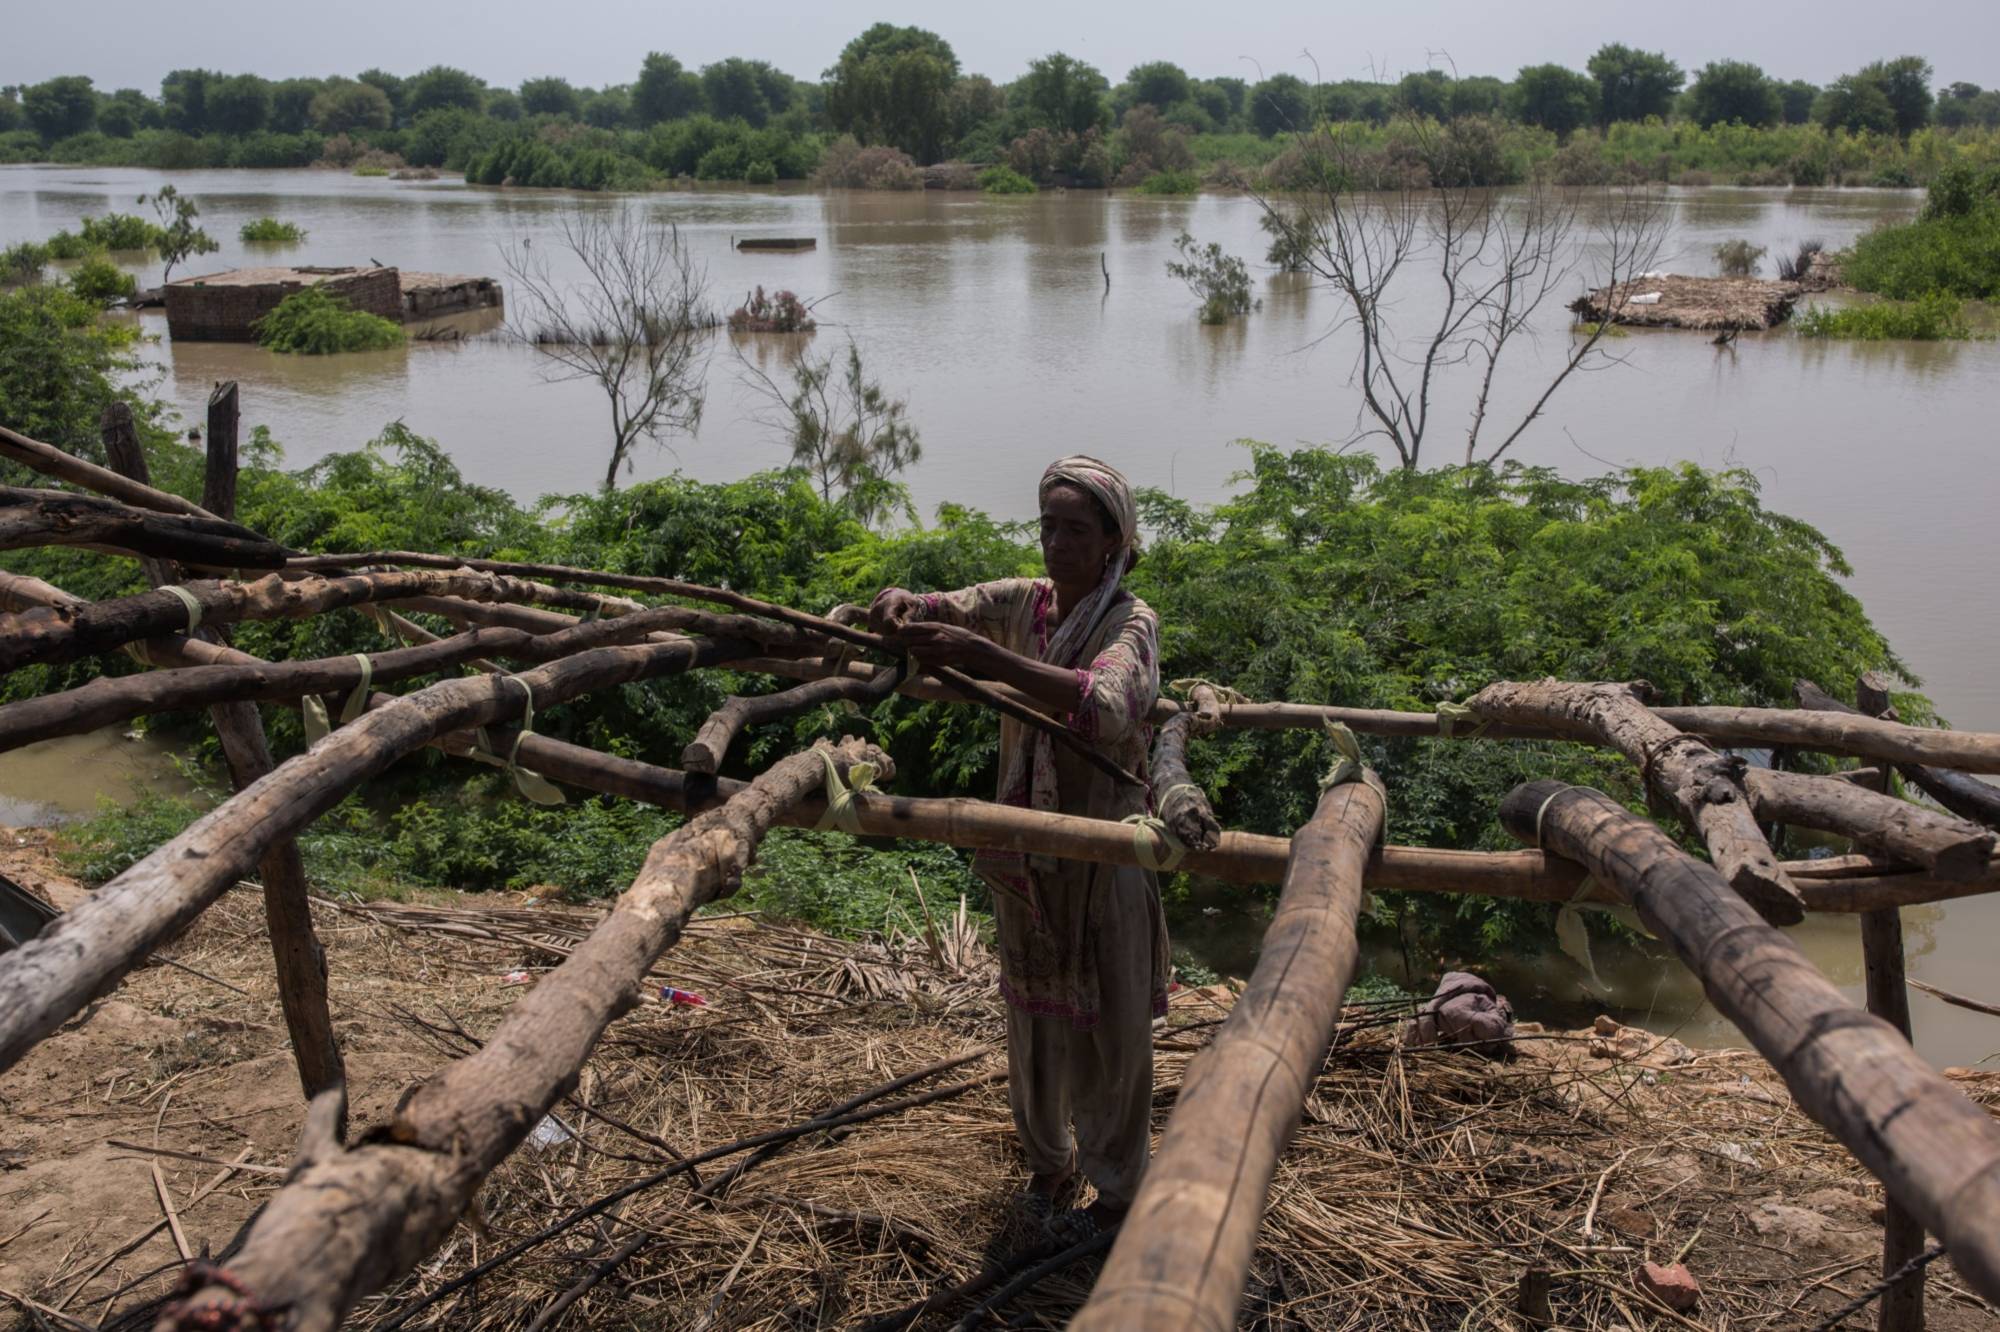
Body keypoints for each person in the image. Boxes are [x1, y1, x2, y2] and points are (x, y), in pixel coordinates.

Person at [865, 455, 1170, 1242]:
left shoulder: (1130, 623)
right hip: (1027, 853)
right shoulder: (1020, 605)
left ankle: (1116, 1193)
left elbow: (1105, 706)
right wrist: (901, 606)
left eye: (1076, 529)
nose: (1057, 544)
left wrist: (989, 663)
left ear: (1113, 541)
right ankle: (1048, 1165)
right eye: (1048, 527)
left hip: (1101, 850)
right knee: (1034, 1019)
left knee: (1109, 1029)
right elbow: (947, 606)